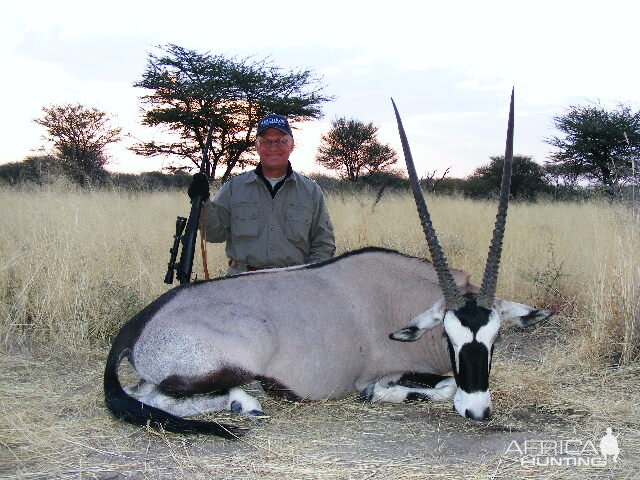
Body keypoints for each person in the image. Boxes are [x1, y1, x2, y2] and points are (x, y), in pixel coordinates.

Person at [188, 113, 335, 275]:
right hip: (241, 281)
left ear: (292, 145)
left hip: (294, 283)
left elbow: (324, 243)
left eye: (281, 140)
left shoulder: (311, 190)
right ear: (256, 146)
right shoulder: (234, 187)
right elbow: (214, 235)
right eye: (266, 142)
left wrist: (310, 277)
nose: (273, 147)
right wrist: (203, 202)